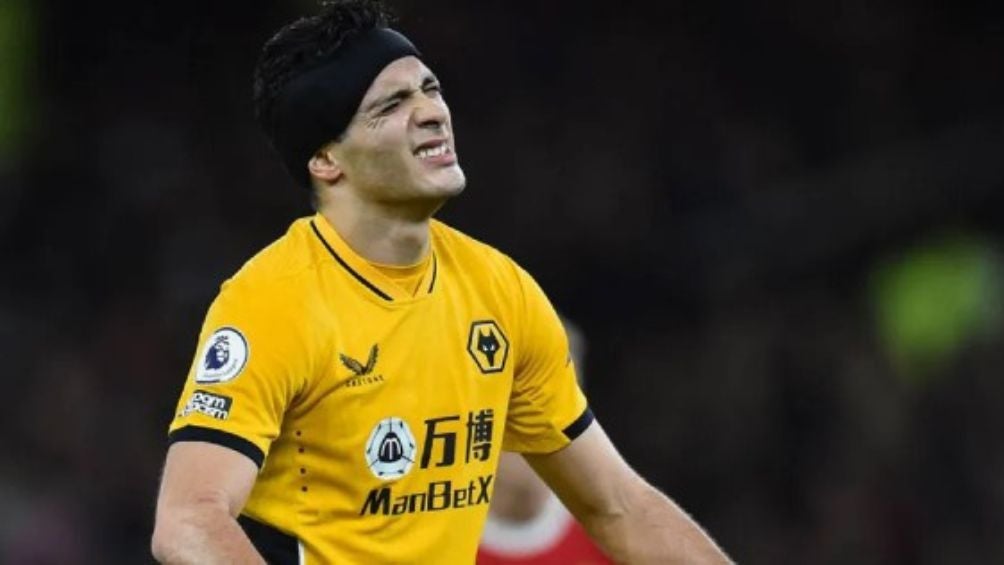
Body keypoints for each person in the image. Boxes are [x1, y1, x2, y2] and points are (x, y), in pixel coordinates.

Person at [150, 1, 732, 563]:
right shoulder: (272, 303)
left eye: (430, 89)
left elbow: (618, 508)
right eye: (391, 105)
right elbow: (189, 522)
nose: (432, 112)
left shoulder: (499, 291)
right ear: (327, 161)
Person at [478, 317, 611, 564]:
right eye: (514, 400)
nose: (536, 422)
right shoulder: (422, 536)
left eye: (554, 402)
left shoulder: (617, 542)